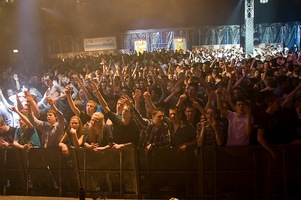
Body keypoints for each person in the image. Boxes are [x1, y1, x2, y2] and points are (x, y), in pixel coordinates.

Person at [91, 82, 140, 149]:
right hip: (115, 151)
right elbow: (105, 107)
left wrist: (122, 146)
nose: (123, 112)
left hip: (129, 154)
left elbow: (135, 143)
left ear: (130, 114)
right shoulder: (117, 121)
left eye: (126, 111)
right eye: (123, 110)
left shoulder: (134, 124)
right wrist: (97, 92)